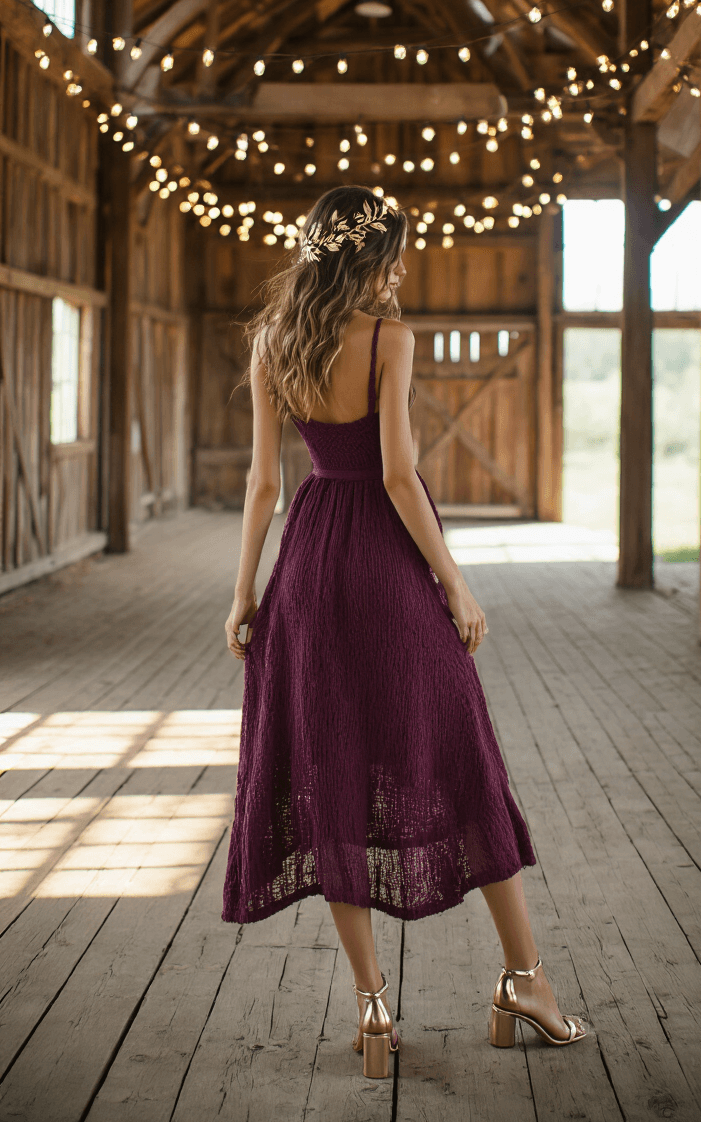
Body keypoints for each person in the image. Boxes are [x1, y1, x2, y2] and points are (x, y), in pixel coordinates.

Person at [223, 185, 588, 1077]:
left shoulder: (273, 341)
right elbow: (397, 474)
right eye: (396, 253)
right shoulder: (390, 337)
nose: (401, 269)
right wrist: (454, 582)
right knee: (463, 758)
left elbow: (265, 485)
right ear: (372, 256)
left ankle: (373, 1007)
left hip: (308, 567)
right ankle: (525, 981)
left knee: (331, 776)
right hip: (385, 566)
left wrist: (244, 595)